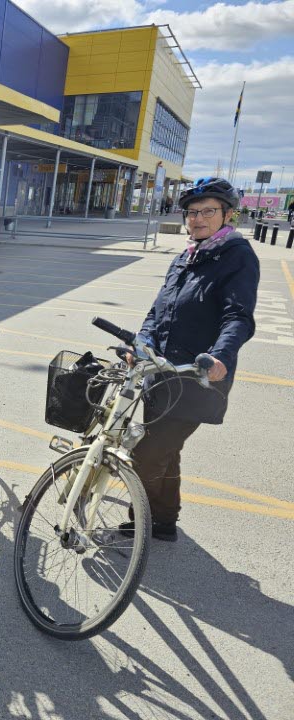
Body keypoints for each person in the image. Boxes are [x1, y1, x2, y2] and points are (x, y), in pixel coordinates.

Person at [127, 177, 258, 541]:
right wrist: (141, 343)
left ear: (227, 215)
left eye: (208, 211)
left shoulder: (237, 257)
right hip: (160, 373)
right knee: (167, 451)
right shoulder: (185, 258)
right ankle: (164, 521)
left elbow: (238, 317)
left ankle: (139, 523)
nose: (198, 218)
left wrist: (220, 357)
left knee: (146, 455)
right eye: (192, 212)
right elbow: (158, 311)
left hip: (196, 377)